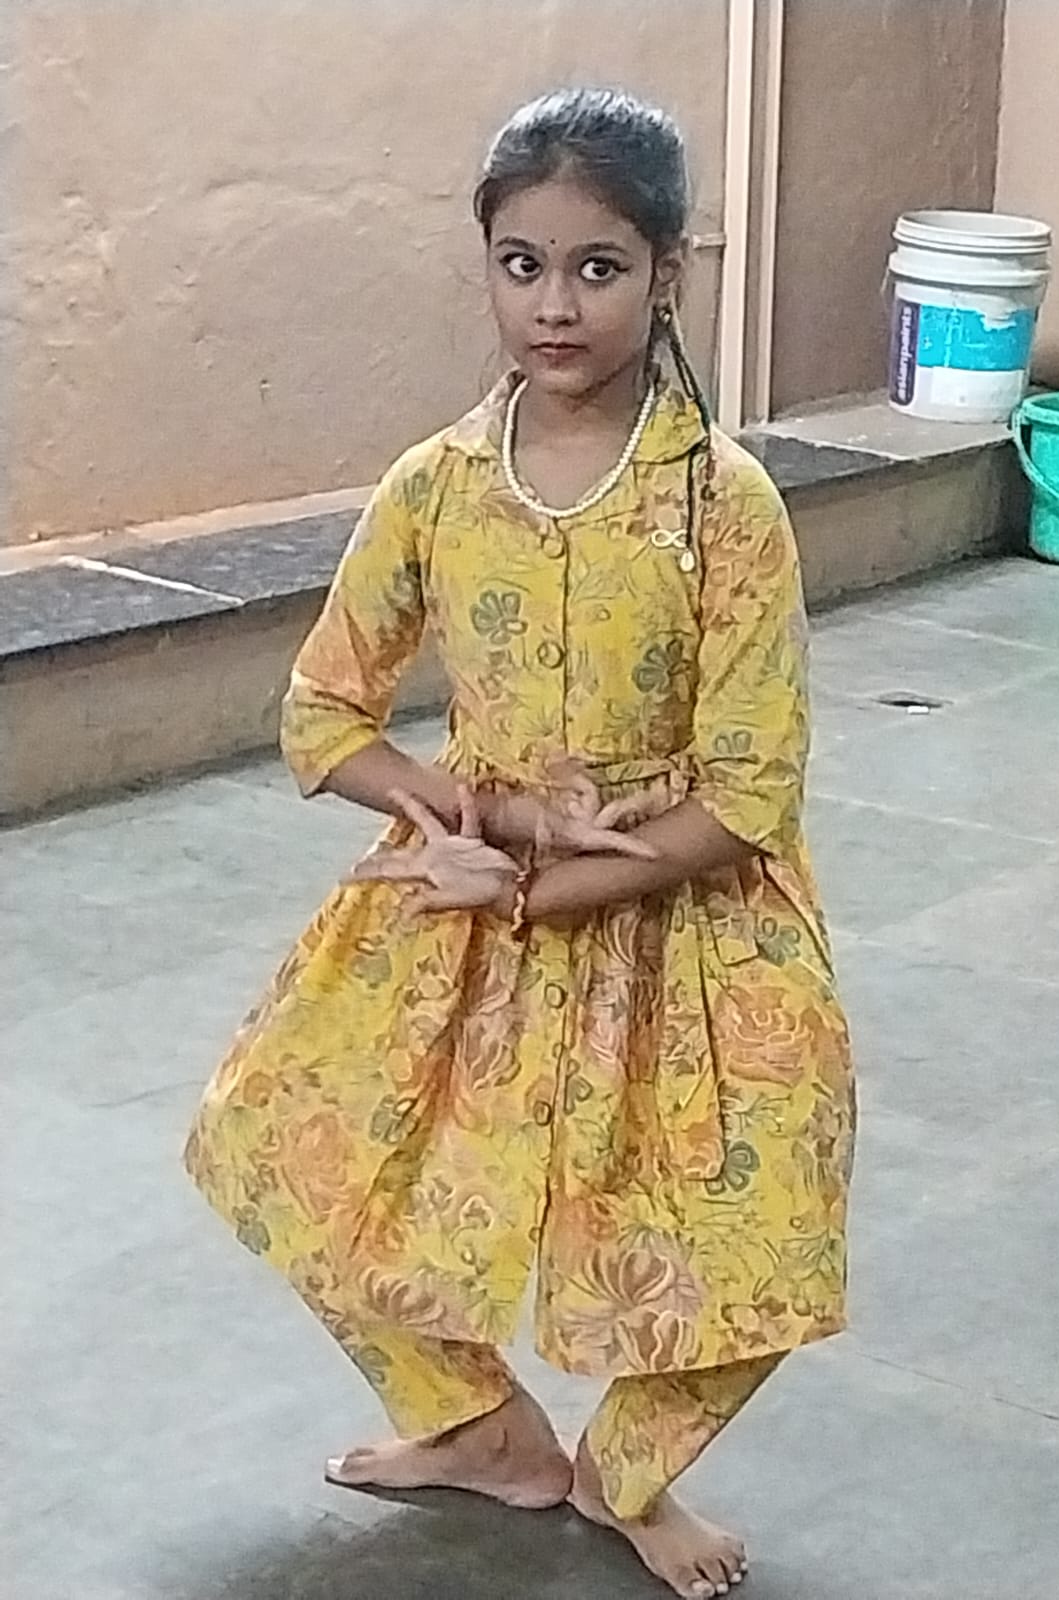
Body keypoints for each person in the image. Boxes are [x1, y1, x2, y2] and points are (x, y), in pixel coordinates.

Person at [184, 87, 856, 1600]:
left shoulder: (724, 505)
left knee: (767, 1227)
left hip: (691, 922)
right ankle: (481, 1430)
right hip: (461, 900)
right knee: (285, 1150)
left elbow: (750, 790)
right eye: (522, 264)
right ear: (487, 265)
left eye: (598, 267)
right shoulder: (433, 487)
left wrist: (561, 884)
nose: (556, 304)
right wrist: (494, 824)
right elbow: (323, 717)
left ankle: (628, 1472)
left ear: (667, 272)